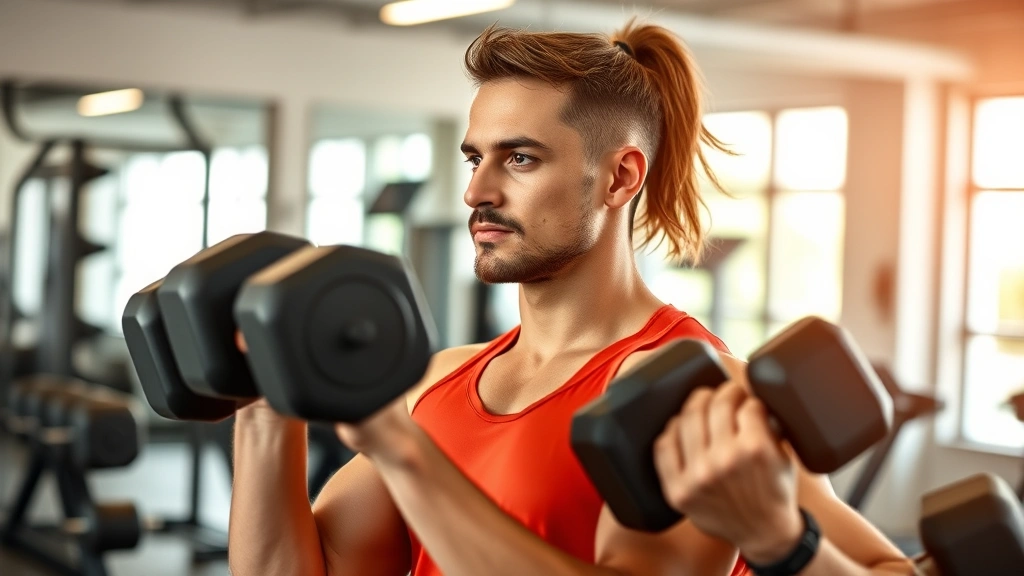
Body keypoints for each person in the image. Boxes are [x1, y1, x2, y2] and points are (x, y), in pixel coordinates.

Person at [228, 19, 913, 576]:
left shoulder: (686, 392)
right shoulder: (438, 382)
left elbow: (884, 567)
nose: (477, 192)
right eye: (476, 158)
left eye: (520, 158)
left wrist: (403, 453)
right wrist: (264, 410)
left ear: (619, 178)